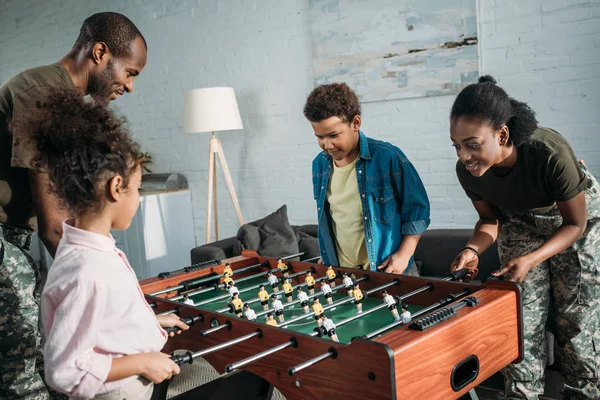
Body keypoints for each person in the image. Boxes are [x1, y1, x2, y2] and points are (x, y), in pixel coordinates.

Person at [0, 12, 147, 399]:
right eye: (129, 72)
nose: (129, 86)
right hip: (3, 239)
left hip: (15, 234)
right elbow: (53, 226)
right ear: (100, 52)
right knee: (23, 368)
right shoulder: (41, 91)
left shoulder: (62, 98)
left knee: (35, 346)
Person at [24, 90, 188, 400]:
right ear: (117, 187)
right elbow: (64, 370)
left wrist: (147, 322)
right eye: (137, 189)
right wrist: (142, 360)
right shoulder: (87, 270)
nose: (138, 198)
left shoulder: (92, 250)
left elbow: (100, 320)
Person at [449, 75, 600, 400]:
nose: (463, 155)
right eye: (457, 145)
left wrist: (532, 259)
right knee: (519, 317)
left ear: (502, 134)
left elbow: (575, 223)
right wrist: (472, 249)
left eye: (472, 144)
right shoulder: (468, 171)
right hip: (521, 222)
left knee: (576, 321)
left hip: (576, 224)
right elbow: (490, 220)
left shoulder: (549, 151)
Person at [304, 83, 430, 274]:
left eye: (333, 135)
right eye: (320, 137)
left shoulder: (387, 157)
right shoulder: (319, 165)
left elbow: (417, 211)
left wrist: (404, 256)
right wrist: (329, 252)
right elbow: (333, 216)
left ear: (355, 123)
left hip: (388, 269)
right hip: (343, 272)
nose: (327, 145)